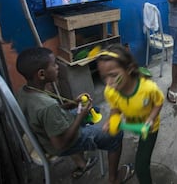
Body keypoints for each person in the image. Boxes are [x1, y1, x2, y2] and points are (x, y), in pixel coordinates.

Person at [15, 47, 133, 183]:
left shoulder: (25, 91)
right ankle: (114, 179)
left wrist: (72, 104)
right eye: (54, 65)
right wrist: (80, 117)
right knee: (116, 134)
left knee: (93, 109)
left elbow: (47, 115)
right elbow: (61, 144)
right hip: (62, 142)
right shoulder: (47, 107)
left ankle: (83, 163)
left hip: (45, 133)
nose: (57, 66)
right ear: (41, 74)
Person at [96, 44, 164, 184]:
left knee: (141, 166)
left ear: (129, 69)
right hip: (133, 124)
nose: (109, 82)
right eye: (104, 77)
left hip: (150, 128)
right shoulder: (110, 91)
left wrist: (151, 119)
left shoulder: (148, 89)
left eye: (114, 75)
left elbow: (158, 103)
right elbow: (115, 107)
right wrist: (112, 119)